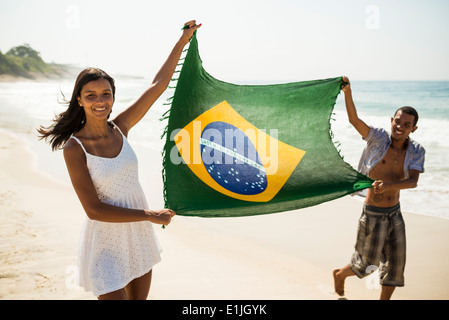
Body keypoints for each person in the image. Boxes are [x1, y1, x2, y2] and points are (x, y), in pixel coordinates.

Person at [38, 21, 201, 300]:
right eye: (91, 96)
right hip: (105, 243)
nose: (99, 101)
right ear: (79, 100)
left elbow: (158, 86)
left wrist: (182, 42)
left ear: (113, 98)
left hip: (137, 237)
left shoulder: (120, 128)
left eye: (106, 94)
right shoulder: (75, 148)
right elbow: (94, 209)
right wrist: (150, 215)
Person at [333, 76, 425, 300]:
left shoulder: (416, 151)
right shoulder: (377, 138)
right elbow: (354, 120)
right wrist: (347, 93)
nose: (400, 127)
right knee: (366, 265)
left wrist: (390, 185)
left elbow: (412, 181)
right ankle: (339, 275)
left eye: (406, 124)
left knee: (395, 266)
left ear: (413, 128)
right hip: (372, 213)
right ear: (391, 120)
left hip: (395, 213)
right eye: (397, 121)